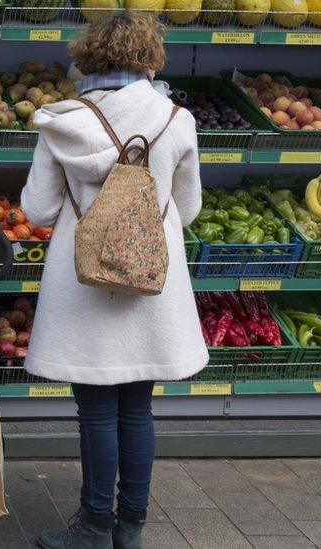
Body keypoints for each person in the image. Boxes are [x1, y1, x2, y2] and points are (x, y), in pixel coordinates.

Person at [20, 11, 208, 549]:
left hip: (83, 284)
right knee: (137, 407)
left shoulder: (62, 120)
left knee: (96, 410)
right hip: (151, 278)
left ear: (88, 57)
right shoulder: (177, 119)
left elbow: (37, 208)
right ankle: (131, 527)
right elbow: (189, 209)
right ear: (150, 57)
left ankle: (93, 526)